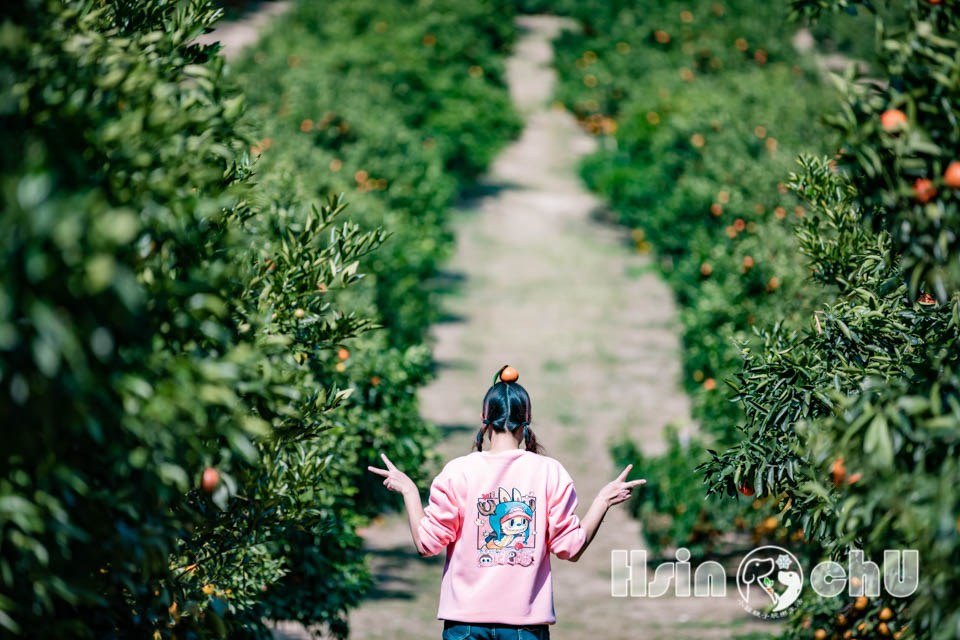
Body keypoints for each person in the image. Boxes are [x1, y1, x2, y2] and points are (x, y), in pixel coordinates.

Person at [368, 365, 646, 639]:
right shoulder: (550, 472)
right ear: (527, 419)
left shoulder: (458, 472)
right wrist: (602, 500)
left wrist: (409, 491)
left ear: (483, 419)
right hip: (524, 627)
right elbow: (570, 549)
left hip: (464, 623)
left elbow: (426, 544)